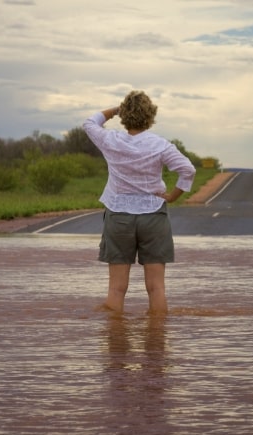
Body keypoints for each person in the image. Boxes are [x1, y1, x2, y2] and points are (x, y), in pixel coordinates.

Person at [83, 90, 196, 314]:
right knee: (156, 288)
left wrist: (116, 110)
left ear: (125, 116)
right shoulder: (161, 145)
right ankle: (157, 343)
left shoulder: (110, 140)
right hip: (154, 215)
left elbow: (89, 123)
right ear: (151, 116)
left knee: (116, 289)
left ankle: (116, 344)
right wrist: (173, 196)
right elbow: (188, 170)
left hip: (118, 215)